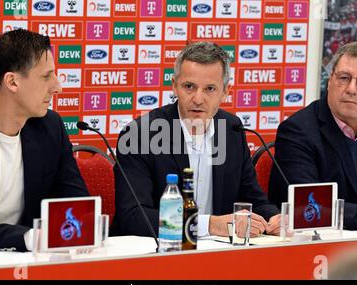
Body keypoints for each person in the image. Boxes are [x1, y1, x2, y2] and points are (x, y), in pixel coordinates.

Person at [111, 42, 280, 238]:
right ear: (174, 85)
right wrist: (208, 225)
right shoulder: (141, 134)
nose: (198, 99)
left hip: (217, 254)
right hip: (156, 255)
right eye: (189, 87)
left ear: (226, 91)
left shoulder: (231, 129)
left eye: (209, 89)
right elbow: (133, 217)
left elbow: (253, 200)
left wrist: (275, 218)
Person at [0, 29, 89, 251]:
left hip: (33, 262)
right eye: (46, 76)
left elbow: (77, 205)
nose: (58, 87)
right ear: (12, 82)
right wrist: (27, 238)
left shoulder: (50, 127)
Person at [269, 41, 357, 230]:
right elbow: (307, 207)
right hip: (324, 246)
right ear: (330, 81)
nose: (351, 89)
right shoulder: (297, 131)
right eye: (344, 78)